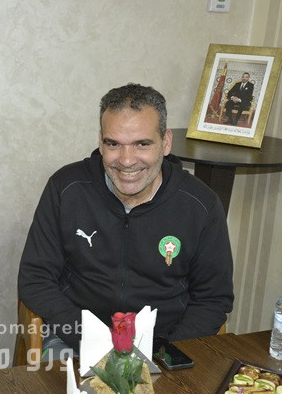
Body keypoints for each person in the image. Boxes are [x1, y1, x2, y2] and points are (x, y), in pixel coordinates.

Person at [18, 83, 234, 358]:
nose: (127, 160)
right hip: (75, 341)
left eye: (142, 144)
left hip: (165, 345)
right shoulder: (66, 188)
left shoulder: (201, 204)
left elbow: (213, 299)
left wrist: (169, 355)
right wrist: (90, 338)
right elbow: (35, 278)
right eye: (113, 144)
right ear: (100, 142)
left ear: (166, 143)